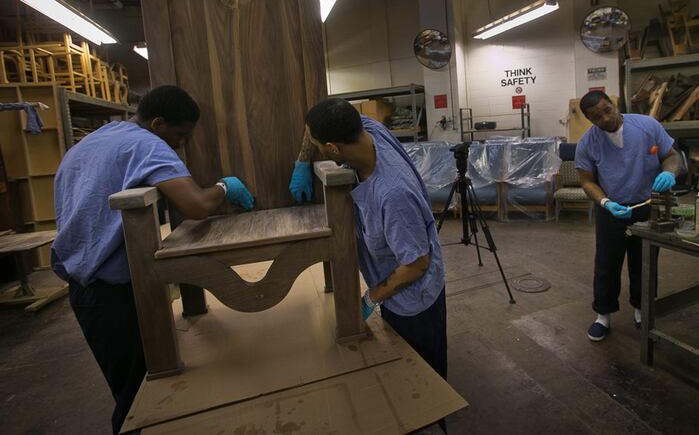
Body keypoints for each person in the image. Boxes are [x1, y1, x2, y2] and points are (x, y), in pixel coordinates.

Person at [51, 85, 254, 434]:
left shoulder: (94, 141)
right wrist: (224, 187)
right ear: (157, 122)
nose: (181, 145)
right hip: (110, 293)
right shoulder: (147, 144)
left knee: (129, 386)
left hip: (84, 287)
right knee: (139, 400)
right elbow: (196, 206)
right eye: (179, 135)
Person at [297, 98, 447, 385]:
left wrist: (372, 296)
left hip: (414, 298)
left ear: (333, 149)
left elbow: (416, 264)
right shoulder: (368, 128)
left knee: (425, 376)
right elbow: (317, 124)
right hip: (397, 269)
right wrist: (302, 161)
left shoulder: (392, 196)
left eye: (317, 147)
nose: (315, 150)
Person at [575, 90, 682, 342]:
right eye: (596, 117)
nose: (605, 118)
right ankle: (603, 315)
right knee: (607, 264)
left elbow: (671, 157)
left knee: (644, 261)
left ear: (614, 104)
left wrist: (670, 173)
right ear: (590, 120)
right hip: (612, 210)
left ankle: (641, 308)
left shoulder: (647, 126)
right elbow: (587, 181)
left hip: (647, 206)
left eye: (607, 110)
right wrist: (605, 202)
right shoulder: (587, 143)